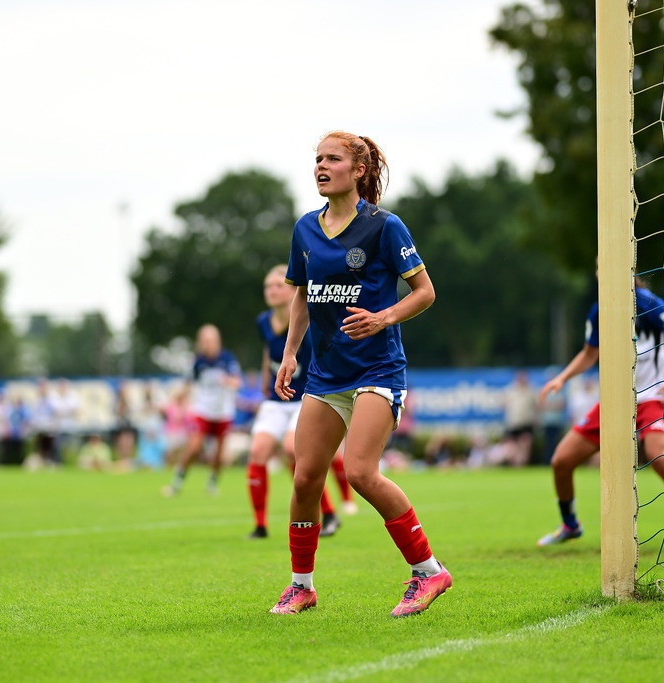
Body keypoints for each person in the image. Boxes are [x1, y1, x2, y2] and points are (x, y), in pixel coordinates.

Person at [269, 131, 450, 617]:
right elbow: (302, 295)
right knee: (305, 478)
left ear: (359, 170)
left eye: (333, 159)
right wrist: (290, 354)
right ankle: (301, 587)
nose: (321, 166)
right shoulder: (305, 229)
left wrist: (383, 317)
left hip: (377, 368)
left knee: (360, 473)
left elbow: (425, 292)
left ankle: (429, 572)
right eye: (318, 159)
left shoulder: (385, 226)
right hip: (326, 374)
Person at [537, 276, 664, 552]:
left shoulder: (648, 303)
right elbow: (589, 353)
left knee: (658, 455)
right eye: (599, 269)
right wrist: (562, 378)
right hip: (615, 401)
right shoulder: (599, 310)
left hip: (652, 397)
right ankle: (570, 525)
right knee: (562, 460)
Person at [246, 265, 342, 539]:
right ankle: (260, 525)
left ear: (293, 291)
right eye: (268, 286)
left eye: (278, 286)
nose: (272, 291)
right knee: (258, 452)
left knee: (292, 449)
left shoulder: (309, 316)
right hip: (277, 397)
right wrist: (265, 382)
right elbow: (269, 353)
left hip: (306, 396)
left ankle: (329, 512)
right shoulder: (263, 321)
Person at [162, 324, 241, 496]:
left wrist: (227, 380)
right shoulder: (198, 361)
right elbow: (188, 384)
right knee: (193, 447)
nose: (207, 344)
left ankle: (212, 483)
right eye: (204, 341)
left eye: (210, 340)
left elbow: (237, 382)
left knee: (219, 453)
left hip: (223, 412)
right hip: (203, 410)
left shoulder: (227, 359)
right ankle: (177, 482)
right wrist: (177, 402)